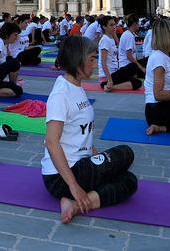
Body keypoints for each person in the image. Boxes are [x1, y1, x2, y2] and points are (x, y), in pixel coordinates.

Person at [42, 35, 137, 224]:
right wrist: (74, 186)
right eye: (92, 59)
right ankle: (72, 195)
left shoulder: (76, 86)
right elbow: (52, 143)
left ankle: (74, 205)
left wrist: (96, 158)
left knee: (129, 180)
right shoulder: (61, 94)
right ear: (77, 61)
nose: (94, 64)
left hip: (80, 166)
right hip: (61, 177)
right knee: (126, 153)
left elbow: (80, 132)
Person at [97, 16, 141, 92]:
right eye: (111, 25)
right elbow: (103, 62)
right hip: (108, 76)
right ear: (104, 27)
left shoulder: (110, 39)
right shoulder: (105, 40)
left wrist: (114, 35)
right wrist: (110, 80)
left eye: (114, 24)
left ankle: (109, 85)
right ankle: (108, 85)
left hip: (115, 72)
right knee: (137, 82)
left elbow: (119, 46)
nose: (114, 27)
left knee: (135, 77)